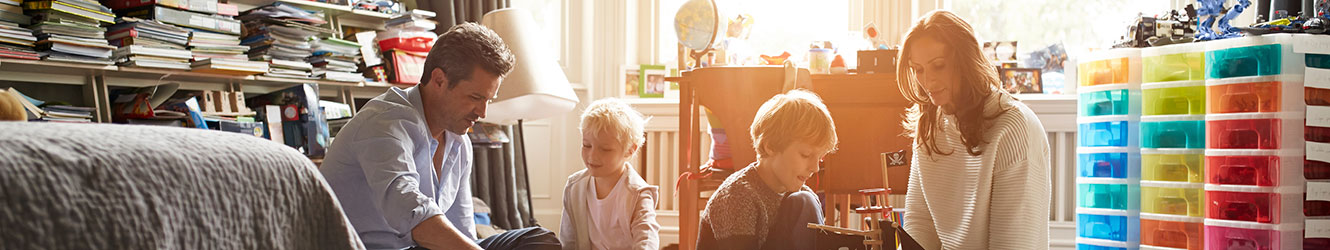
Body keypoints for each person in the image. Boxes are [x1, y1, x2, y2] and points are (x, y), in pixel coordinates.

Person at [320, 23, 559, 250]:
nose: (483, 112)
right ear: (439, 80)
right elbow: (413, 215)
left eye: (488, 100)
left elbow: (461, 230)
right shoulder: (385, 124)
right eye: (475, 97)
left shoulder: (459, 141)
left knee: (538, 241)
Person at [895, 10, 1051, 249]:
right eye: (918, 69)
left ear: (965, 62)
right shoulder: (930, 124)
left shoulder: (1013, 127)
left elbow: (1012, 243)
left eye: (938, 66)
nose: (928, 82)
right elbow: (920, 223)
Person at [696, 89, 836, 250]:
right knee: (804, 201)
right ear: (770, 147)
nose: (815, 167)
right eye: (806, 155)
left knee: (805, 200)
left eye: (820, 158)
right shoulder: (737, 197)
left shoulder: (800, 194)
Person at [558, 98, 660, 250]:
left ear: (630, 150)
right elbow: (568, 242)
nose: (592, 156)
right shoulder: (574, 188)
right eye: (587, 145)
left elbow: (647, 241)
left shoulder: (638, 195)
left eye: (605, 149)